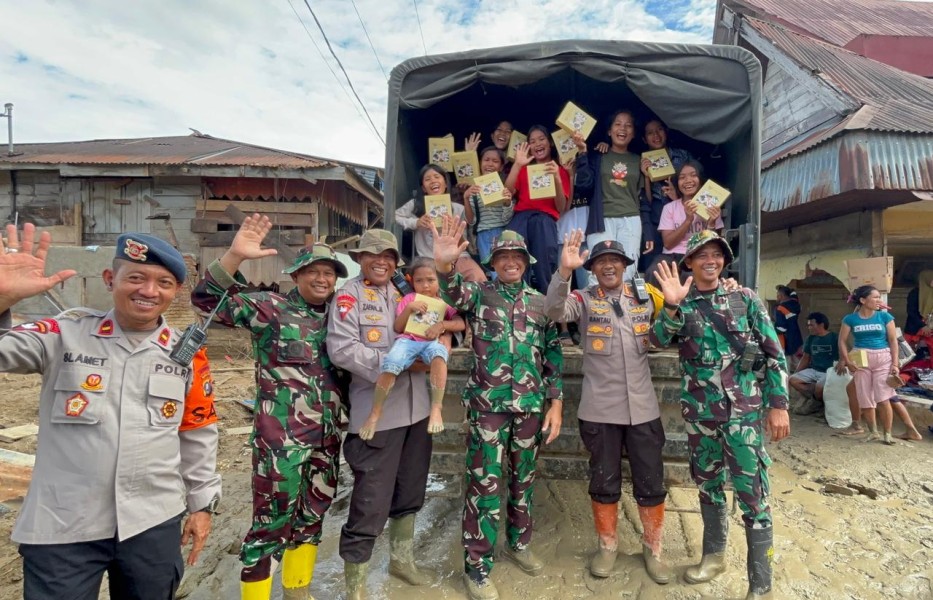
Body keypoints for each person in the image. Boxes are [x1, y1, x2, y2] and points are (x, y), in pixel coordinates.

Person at [0, 224, 221, 600]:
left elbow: (197, 433)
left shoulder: (187, 356)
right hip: (63, 523)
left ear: (175, 292)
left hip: (152, 522)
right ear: (110, 279)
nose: (149, 291)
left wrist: (202, 505)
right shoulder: (63, 334)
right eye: (136, 277)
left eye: (163, 283)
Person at [190, 214, 347, 600]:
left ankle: (298, 592)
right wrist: (233, 257)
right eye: (314, 272)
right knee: (269, 526)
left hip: (327, 440)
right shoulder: (270, 309)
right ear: (296, 275)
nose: (322, 280)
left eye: (329, 273)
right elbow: (207, 300)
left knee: (312, 517)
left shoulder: (342, 319)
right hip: (281, 444)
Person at [651, 230, 790, 600]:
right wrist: (670, 306)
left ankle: (761, 583)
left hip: (743, 414)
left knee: (753, 495)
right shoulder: (683, 302)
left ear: (724, 261)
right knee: (708, 486)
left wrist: (778, 405)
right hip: (701, 415)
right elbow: (656, 341)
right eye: (701, 255)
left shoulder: (744, 299)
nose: (709, 260)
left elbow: (775, 355)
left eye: (716, 255)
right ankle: (713, 557)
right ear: (689, 264)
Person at [433, 221, 563, 600]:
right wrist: (444, 267)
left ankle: (519, 544)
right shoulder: (479, 296)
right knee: (484, 487)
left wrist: (556, 405)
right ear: (494, 263)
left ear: (525, 262)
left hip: (530, 409)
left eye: (516, 257)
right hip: (488, 410)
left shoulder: (541, 303)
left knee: (524, 483)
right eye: (503, 257)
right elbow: (452, 290)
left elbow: (553, 355)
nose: (510, 262)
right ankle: (477, 567)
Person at [544, 231, 673, 584]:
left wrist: (674, 305)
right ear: (593, 269)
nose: (608, 266)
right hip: (600, 411)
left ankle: (653, 548)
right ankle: (607, 546)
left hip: (643, 409)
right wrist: (563, 273)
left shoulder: (645, 297)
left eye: (614, 261)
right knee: (603, 481)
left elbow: (664, 337)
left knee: (651, 481)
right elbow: (553, 310)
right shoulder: (582, 299)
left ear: (625, 266)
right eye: (601, 263)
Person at [327, 229, 434, 599]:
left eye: (388, 256)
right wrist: (396, 365)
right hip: (377, 416)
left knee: (410, 490)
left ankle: (402, 561)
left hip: (416, 410)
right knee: (370, 501)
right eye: (374, 255)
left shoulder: (406, 294)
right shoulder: (348, 296)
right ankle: (355, 584)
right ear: (359, 258)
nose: (382, 262)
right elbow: (342, 350)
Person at [358, 257, 465, 439]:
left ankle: (436, 408)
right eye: (419, 281)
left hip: (430, 342)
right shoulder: (409, 298)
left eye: (431, 280)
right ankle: (375, 412)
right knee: (391, 363)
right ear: (410, 281)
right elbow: (398, 327)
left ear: (439, 280)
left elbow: (460, 323)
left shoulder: (444, 302)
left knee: (440, 356)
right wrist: (409, 309)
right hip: (408, 341)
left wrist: (442, 326)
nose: (425, 285)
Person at [574, 109, 644, 280]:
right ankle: (597, 307)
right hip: (602, 219)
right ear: (609, 131)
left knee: (628, 270)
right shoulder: (598, 156)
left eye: (628, 126)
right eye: (618, 124)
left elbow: (644, 197)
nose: (623, 129)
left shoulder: (639, 160)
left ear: (633, 133)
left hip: (631, 218)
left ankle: (626, 306)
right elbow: (584, 185)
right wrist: (583, 152)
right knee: (598, 269)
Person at [504, 124, 571, 293]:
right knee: (516, 259)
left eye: (541, 139)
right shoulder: (524, 169)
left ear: (550, 143)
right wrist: (518, 164)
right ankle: (517, 303)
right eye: (532, 141)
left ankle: (547, 314)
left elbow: (561, 207)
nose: (537, 144)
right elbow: (507, 191)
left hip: (544, 219)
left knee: (545, 267)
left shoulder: (560, 170)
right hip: (521, 218)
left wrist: (556, 177)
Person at [835, 286, 903, 445]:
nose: (879, 300)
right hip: (860, 359)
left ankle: (887, 434)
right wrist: (848, 361)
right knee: (864, 398)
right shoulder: (850, 319)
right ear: (863, 300)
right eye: (876, 297)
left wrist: (895, 363)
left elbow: (893, 341)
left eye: (879, 297)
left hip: (883, 358)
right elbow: (842, 341)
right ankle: (873, 432)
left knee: (883, 398)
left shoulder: (885, 317)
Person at [395, 163, 486, 281]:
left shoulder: (458, 208)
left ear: (445, 183)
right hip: (429, 258)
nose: (433, 181)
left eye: (437, 177)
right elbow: (395, 216)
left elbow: (470, 226)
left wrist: (454, 229)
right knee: (431, 284)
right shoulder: (416, 204)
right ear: (423, 187)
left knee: (477, 276)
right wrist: (416, 222)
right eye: (427, 179)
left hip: (458, 257)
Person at [646, 159, 723, 283]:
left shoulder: (711, 207)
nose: (688, 181)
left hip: (699, 254)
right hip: (672, 256)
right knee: (653, 272)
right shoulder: (670, 208)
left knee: (698, 275)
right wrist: (688, 220)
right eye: (682, 177)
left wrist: (712, 223)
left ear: (701, 180)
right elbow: (668, 244)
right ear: (677, 184)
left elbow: (715, 245)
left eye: (693, 175)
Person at [638, 118, 696, 272]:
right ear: (644, 139)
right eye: (650, 133)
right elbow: (646, 200)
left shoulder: (682, 156)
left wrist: (676, 196)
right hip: (655, 215)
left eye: (659, 130)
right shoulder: (642, 161)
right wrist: (646, 175)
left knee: (685, 262)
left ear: (666, 131)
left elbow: (697, 182)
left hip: (683, 213)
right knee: (655, 265)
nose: (656, 135)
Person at [462, 146, 515, 265]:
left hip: (502, 232)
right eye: (486, 160)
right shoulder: (474, 189)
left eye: (495, 161)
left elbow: (507, 218)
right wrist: (466, 197)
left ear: (501, 166)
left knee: (504, 267)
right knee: (492, 269)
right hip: (483, 234)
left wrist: (507, 202)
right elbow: (470, 221)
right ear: (480, 163)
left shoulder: (504, 188)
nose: (490, 164)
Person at [789, 312, 839, 415]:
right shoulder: (810, 339)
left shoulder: (835, 337)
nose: (809, 328)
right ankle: (817, 401)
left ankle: (815, 401)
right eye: (808, 325)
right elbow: (805, 358)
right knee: (793, 380)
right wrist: (796, 373)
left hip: (829, 371)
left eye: (811, 325)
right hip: (814, 370)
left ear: (821, 325)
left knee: (819, 387)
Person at [775, 285, 804, 370]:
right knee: (799, 365)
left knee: (785, 366)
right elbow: (794, 295)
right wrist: (791, 290)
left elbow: (781, 328)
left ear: (782, 296)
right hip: (796, 338)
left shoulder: (780, 308)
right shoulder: (796, 304)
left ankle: (787, 381)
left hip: (786, 340)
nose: (777, 297)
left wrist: (772, 329)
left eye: (778, 295)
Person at [905, 269, 933, 353]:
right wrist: (923, 326)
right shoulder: (915, 293)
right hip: (915, 328)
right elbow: (911, 312)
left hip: (931, 328)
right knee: (909, 353)